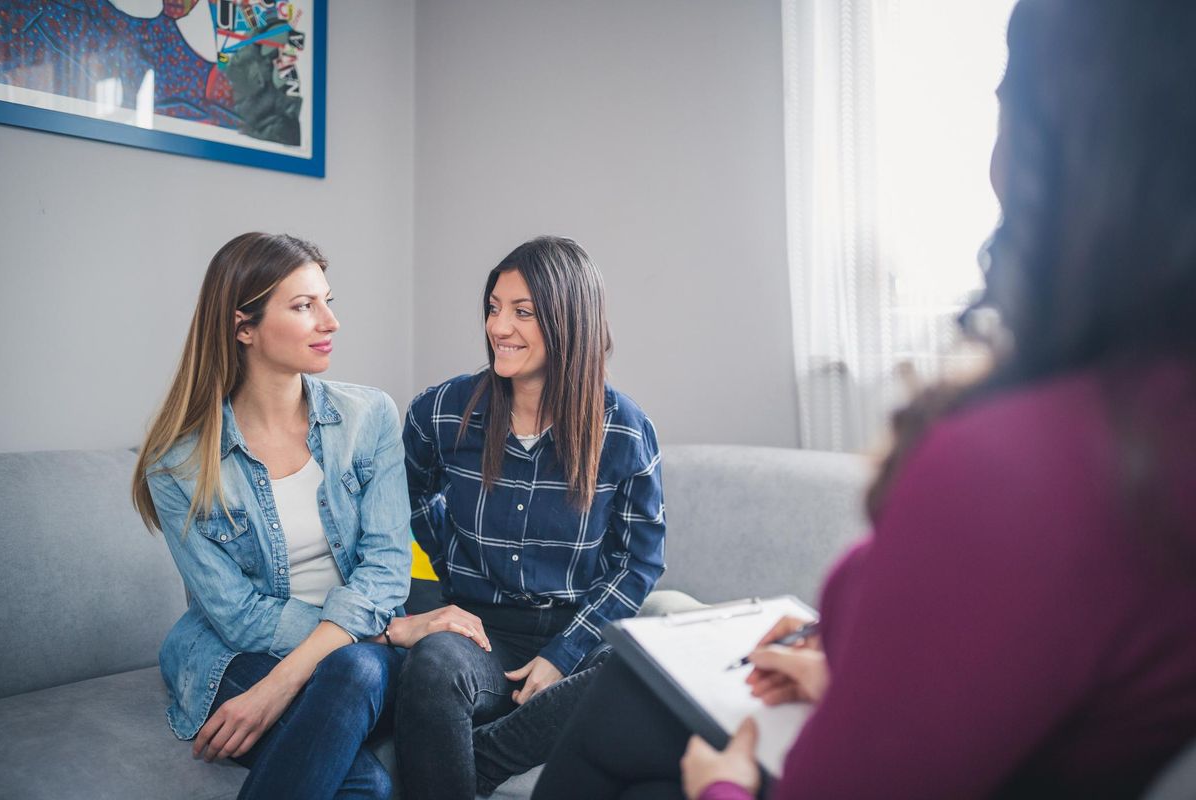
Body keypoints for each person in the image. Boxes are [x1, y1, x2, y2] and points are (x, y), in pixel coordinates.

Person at [532, 1, 1196, 797]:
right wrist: (841, 655)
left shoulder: (1018, 470)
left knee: (632, 713)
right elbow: (1013, 654)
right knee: (631, 691)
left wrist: (723, 785)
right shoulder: (1150, 425)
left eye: (1003, 105)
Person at [132, 232, 486, 799]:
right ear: (243, 327)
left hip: (358, 660)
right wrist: (386, 631)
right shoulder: (176, 464)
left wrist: (284, 681)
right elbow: (236, 615)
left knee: (358, 671)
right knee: (364, 785)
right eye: (303, 306)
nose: (330, 322)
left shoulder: (367, 416)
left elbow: (387, 566)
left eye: (328, 300)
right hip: (235, 654)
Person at [397, 235, 667, 799]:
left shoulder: (624, 429)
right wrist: (451, 564)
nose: (499, 327)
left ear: (570, 322)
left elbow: (638, 559)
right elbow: (410, 493)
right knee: (433, 666)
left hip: (579, 627)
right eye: (494, 308)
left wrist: (563, 654)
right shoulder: (441, 412)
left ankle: (477, 766)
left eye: (522, 312)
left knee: (644, 673)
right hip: (481, 630)